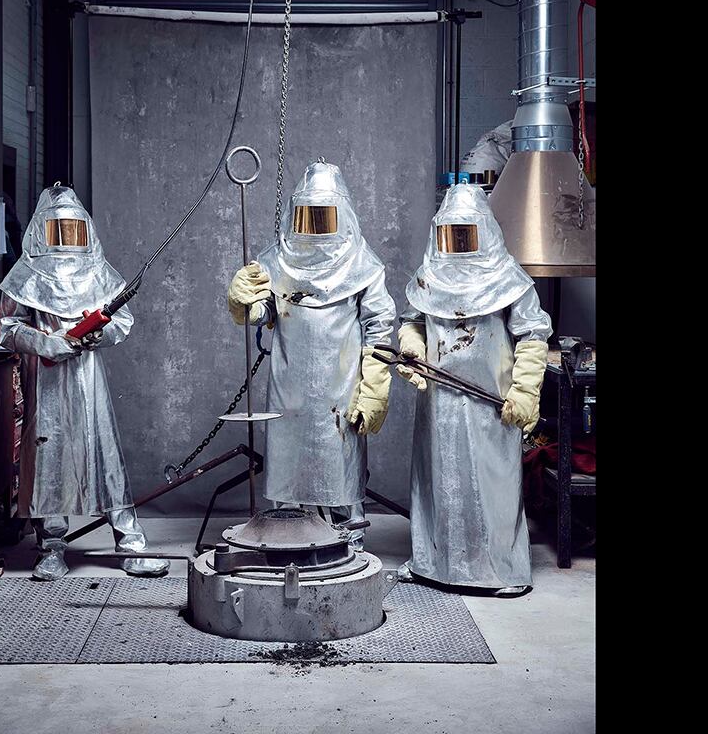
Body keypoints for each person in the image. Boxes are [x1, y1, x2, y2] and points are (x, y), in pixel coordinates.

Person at [0, 184, 168, 580]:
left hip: (90, 383)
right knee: (48, 459)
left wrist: (95, 335)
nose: (67, 239)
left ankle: (130, 542)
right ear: (43, 230)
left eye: (73, 230)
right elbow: (3, 327)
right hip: (48, 383)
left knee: (103, 455)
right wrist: (44, 341)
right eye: (59, 230)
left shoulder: (98, 270)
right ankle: (51, 544)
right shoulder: (26, 273)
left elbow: (121, 320)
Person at [225, 160, 394, 549]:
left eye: (324, 216)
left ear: (342, 214)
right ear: (294, 215)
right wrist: (244, 302)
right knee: (290, 460)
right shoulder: (276, 260)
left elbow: (380, 324)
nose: (316, 226)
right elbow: (262, 313)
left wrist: (374, 387)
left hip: (343, 382)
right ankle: (289, 532)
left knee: (342, 460)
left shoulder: (362, 264)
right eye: (308, 216)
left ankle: (350, 532)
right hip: (291, 382)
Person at [394, 184, 551, 597]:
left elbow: (533, 335)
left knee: (492, 489)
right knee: (438, 483)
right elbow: (411, 321)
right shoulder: (428, 276)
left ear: (485, 231)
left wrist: (525, 390)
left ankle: (502, 571)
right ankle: (433, 564)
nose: (459, 243)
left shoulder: (509, 280)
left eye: (467, 233)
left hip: (491, 405)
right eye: (451, 234)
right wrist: (410, 344)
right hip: (439, 403)